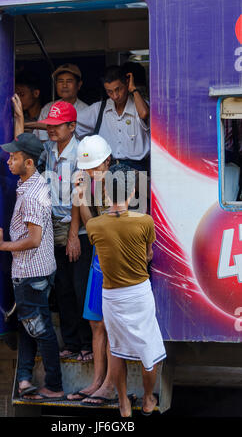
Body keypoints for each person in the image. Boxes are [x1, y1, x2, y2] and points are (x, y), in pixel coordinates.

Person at [0, 132, 64, 401]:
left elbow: (33, 239)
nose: (8, 161)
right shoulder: (34, 183)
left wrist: (1, 245)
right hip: (39, 271)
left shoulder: (31, 195)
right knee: (28, 326)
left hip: (31, 274)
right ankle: (25, 380)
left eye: (14, 157)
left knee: (41, 331)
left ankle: (54, 385)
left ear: (28, 163)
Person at [85, 164, 166, 417]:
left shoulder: (95, 226)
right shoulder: (144, 221)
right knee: (149, 352)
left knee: (117, 350)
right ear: (132, 192)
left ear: (106, 191)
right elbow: (148, 255)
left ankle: (123, 403)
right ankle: (148, 398)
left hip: (112, 297)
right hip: (138, 294)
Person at [38, 100, 93, 362]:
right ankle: (71, 343)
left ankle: (87, 343)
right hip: (53, 226)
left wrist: (73, 236)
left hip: (77, 228)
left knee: (79, 286)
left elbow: (78, 197)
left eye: (57, 125)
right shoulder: (49, 148)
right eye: (49, 125)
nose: (51, 129)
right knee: (63, 288)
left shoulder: (81, 152)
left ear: (72, 126)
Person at [67, 135, 118, 406]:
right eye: (86, 169)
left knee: (110, 324)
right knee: (96, 322)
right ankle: (98, 381)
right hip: (100, 255)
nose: (89, 173)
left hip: (116, 259)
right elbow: (91, 226)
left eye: (94, 167)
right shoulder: (93, 184)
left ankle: (109, 384)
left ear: (108, 161)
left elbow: (99, 228)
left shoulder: (119, 184)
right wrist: (81, 196)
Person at [76, 65, 149, 172]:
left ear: (127, 83)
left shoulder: (139, 105)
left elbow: (144, 114)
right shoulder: (99, 108)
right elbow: (69, 123)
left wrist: (133, 89)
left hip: (137, 168)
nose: (115, 96)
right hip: (108, 168)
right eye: (109, 92)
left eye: (118, 89)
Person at [13, 63, 88, 143]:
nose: (64, 85)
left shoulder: (87, 111)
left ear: (79, 85)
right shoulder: (48, 108)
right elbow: (37, 138)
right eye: (60, 81)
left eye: (69, 81)